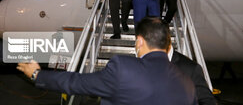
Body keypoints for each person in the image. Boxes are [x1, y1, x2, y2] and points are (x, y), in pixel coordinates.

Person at [16, 17, 197, 105]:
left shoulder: (124, 69)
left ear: (139, 41)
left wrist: (37, 74)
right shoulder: (187, 82)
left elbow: (76, 83)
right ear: (167, 44)